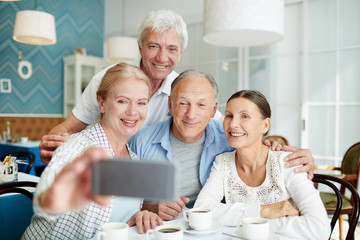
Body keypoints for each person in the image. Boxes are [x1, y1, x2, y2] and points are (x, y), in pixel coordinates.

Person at [39, 9, 223, 165]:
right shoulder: (107, 78)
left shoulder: (182, 88)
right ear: (140, 47)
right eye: (153, 46)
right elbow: (69, 127)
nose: (162, 57)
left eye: (172, 49)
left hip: (138, 172)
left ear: (181, 53)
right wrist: (52, 145)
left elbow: (223, 123)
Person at [129, 70, 315, 221]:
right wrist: (151, 207)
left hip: (218, 227)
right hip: (161, 228)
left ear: (213, 109)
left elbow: (257, 143)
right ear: (170, 105)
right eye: (183, 103)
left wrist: (297, 157)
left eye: (201, 105)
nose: (191, 114)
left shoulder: (230, 135)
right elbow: (122, 201)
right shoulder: (142, 141)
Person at [22, 63, 162, 240]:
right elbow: (46, 200)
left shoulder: (135, 161)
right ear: (101, 103)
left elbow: (116, 219)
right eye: (122, 101)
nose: (133, 111)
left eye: (141, 103)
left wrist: (139, 216)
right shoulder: (77, 147)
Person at [194, 90, 330, 239]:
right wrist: (264, 211)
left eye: (245, 116)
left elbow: (320, 228)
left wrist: (246, 225)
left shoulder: (287, 162)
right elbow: (202, 210)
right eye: (229, 116)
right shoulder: (223, 163)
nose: (233, 124)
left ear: (265, 125)